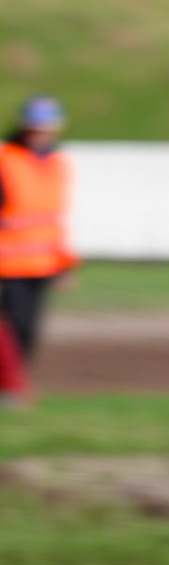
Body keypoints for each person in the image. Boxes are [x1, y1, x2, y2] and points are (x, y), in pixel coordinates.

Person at [0, 95, 79, 408]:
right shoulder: (6, 159)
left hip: (42, 263)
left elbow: (54, 219)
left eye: (45, 128)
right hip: (7, 263)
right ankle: (11, 389)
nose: (39, 134)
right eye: (33, 128)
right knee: (10, 330)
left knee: (27, 331)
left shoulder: (59, 164)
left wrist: (64, 264)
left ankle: (15, 389)